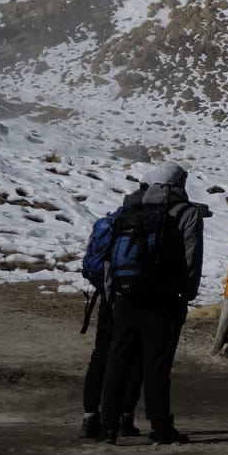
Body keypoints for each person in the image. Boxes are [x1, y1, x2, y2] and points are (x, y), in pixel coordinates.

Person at [95, 162, 204, 445]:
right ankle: (160, 427)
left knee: (119, 358)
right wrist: (186, 294)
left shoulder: (133, 208)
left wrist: (113, 292)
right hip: (163, 298)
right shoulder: (188, 212)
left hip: (126, 295)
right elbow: (191, 257)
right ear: (178, 183)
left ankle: (109, 426)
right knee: (156, 363)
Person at [78, 188, 144, 440]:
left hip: (106, 296)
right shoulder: (145, 226)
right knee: (131, 358)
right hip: (133, 299)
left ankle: (89, 418)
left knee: (102, 356)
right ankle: (124, 418)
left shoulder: (112, 224)